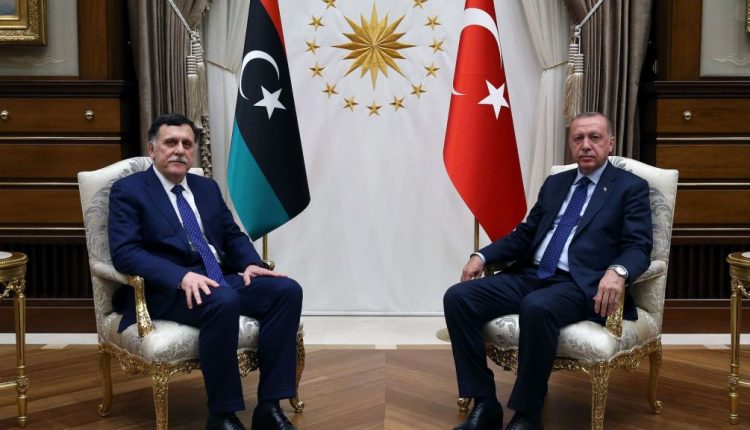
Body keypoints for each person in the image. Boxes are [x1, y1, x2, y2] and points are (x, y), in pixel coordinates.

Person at [443, 112, 653, 430]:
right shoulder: (556, 183)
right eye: (578, 138)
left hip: (579, 284)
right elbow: (525, 234)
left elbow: (638, 246)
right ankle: (484, 404)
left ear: (610, 143)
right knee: (458, 297)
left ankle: (528, 415)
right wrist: (482, 256)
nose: (586, 145)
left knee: (537, 307)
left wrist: (619, 271)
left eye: (594, 137)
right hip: (532, 274)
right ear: (570, 144)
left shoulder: (630, 187)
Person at [108, 113, 301, 430]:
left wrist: (251, 263)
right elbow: (125, 252)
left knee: (286, 291)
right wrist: (180, 276)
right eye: (171, 143)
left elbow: (232, 236)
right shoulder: (129, 190)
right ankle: (222, 415)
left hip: (218, 278)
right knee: (223, 300)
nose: (179, 150)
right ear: (153, 149)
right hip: (169, 289)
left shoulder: (206, 188)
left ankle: (269, 407)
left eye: (187, 144)